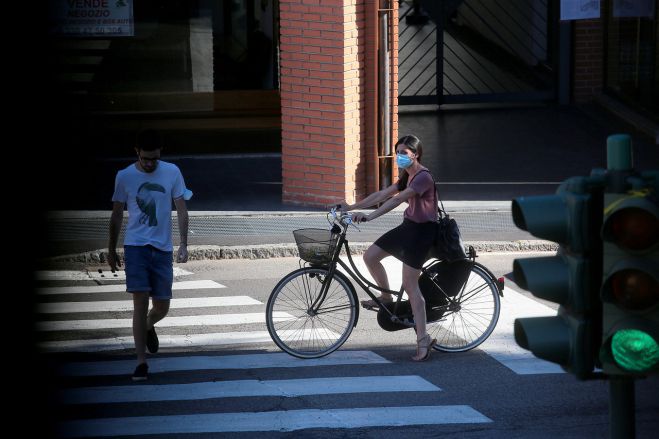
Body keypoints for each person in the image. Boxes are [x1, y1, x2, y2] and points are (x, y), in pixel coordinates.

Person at [339, 134, 437, 362]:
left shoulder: (423, 177)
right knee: (371, 256)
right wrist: (351, 207)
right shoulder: (407, 176)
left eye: (404, 152)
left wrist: (369, 217)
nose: (399, 156)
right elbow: (384, 194)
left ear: (416, 154)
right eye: (397, 152)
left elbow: (396, 200)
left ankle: (423, 340)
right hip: (408, 226)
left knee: (410, 286)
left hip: (422, 234)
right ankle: (385, 297)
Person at [107, 129, 189, 381]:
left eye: (154, 158)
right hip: (136, 248)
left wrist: (184, 244)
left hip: (162, 248)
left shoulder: (172, 172)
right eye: (145, 159)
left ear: (160, 153)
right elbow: (117, 214)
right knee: (139, 304)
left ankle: (149, 326)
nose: (150, 163)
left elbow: (182, 210)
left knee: (162, 306)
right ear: (137, 153)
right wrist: (111, 248)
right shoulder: (125, 176)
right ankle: (141, 361)